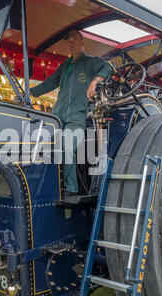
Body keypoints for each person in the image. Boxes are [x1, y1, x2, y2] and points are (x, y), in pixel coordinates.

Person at [30, 30, 113, 196]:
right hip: (57, 117)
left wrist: (94, 82)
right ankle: (45, 187)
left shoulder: (90, 62)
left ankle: (71, 189)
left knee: (68, 147)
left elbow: (109, 68)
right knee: (40, 145)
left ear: (82, 41)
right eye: (69, 41)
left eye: (74, 40)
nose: (71, 44)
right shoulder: (65, 66)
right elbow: (49, 83)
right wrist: (29, 92)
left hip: (77, 117)